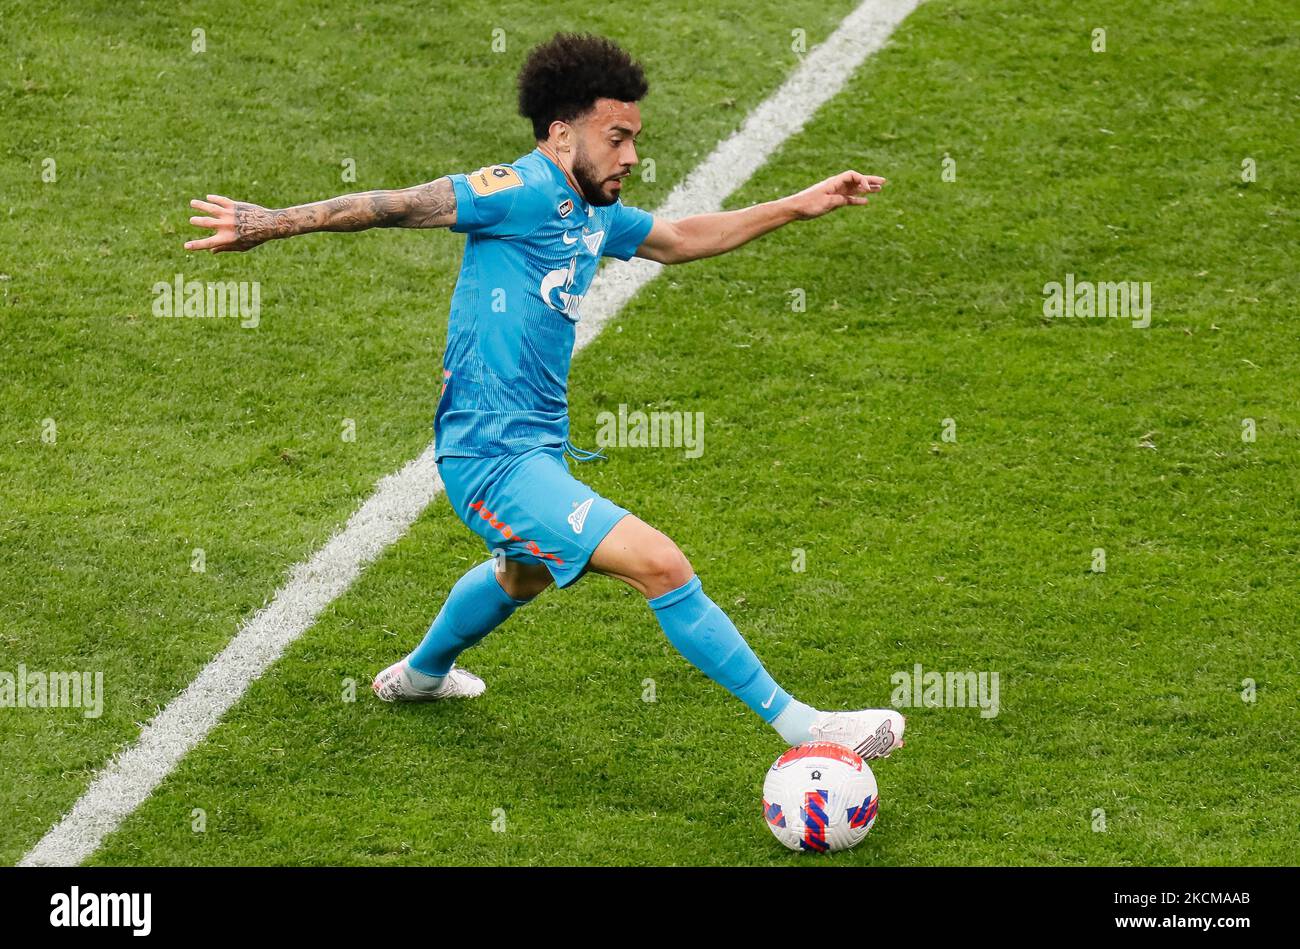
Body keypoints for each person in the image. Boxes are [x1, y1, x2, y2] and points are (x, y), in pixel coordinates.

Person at [184, 32, 903, 760]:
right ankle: (805, 727)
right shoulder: (519, 189)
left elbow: (682, 237)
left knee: (522, 573)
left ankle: (422, 675)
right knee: (660, 563)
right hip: (490, 456)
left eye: (634, 140)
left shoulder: (592, 211)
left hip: (534, 446)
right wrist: (269, 224)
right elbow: (398, 205)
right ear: (562, 134)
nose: (630, 157)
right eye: (616, 138)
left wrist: (801, 204)